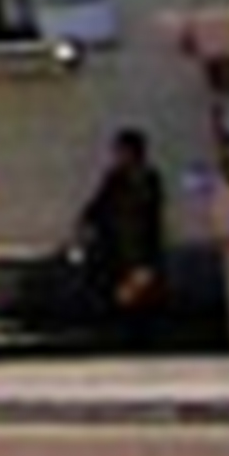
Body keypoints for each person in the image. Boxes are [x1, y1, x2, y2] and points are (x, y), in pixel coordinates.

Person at [74, 126, 171, 348]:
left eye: (123, 151)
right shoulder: (115, 179)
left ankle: (144, 332)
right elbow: (97, 208)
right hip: (118, 248)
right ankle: (128, 331)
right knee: (121, 292)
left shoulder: (148, 179)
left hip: (140, 247)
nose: (119, 156)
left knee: (142, 291)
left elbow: (151, 216)